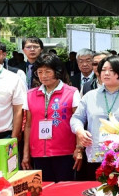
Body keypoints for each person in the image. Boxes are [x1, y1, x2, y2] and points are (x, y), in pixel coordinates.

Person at [71, 55, 119, 181]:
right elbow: (76, 118)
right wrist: (80, 131)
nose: (106, 73)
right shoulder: (90, 96)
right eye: (103, 70)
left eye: (112, 70)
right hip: (96, 154)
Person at [22, 53, 80, 182]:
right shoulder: (30, 95)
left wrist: (79, 149)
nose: (43, 76)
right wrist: (26, 154)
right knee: (45, 191)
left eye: (48, 71)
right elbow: (28, 125)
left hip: (65, 152)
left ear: (57, 71)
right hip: (38, 152)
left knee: (65, 189)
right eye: (40, 72)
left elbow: (79, 122)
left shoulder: (71, 92)